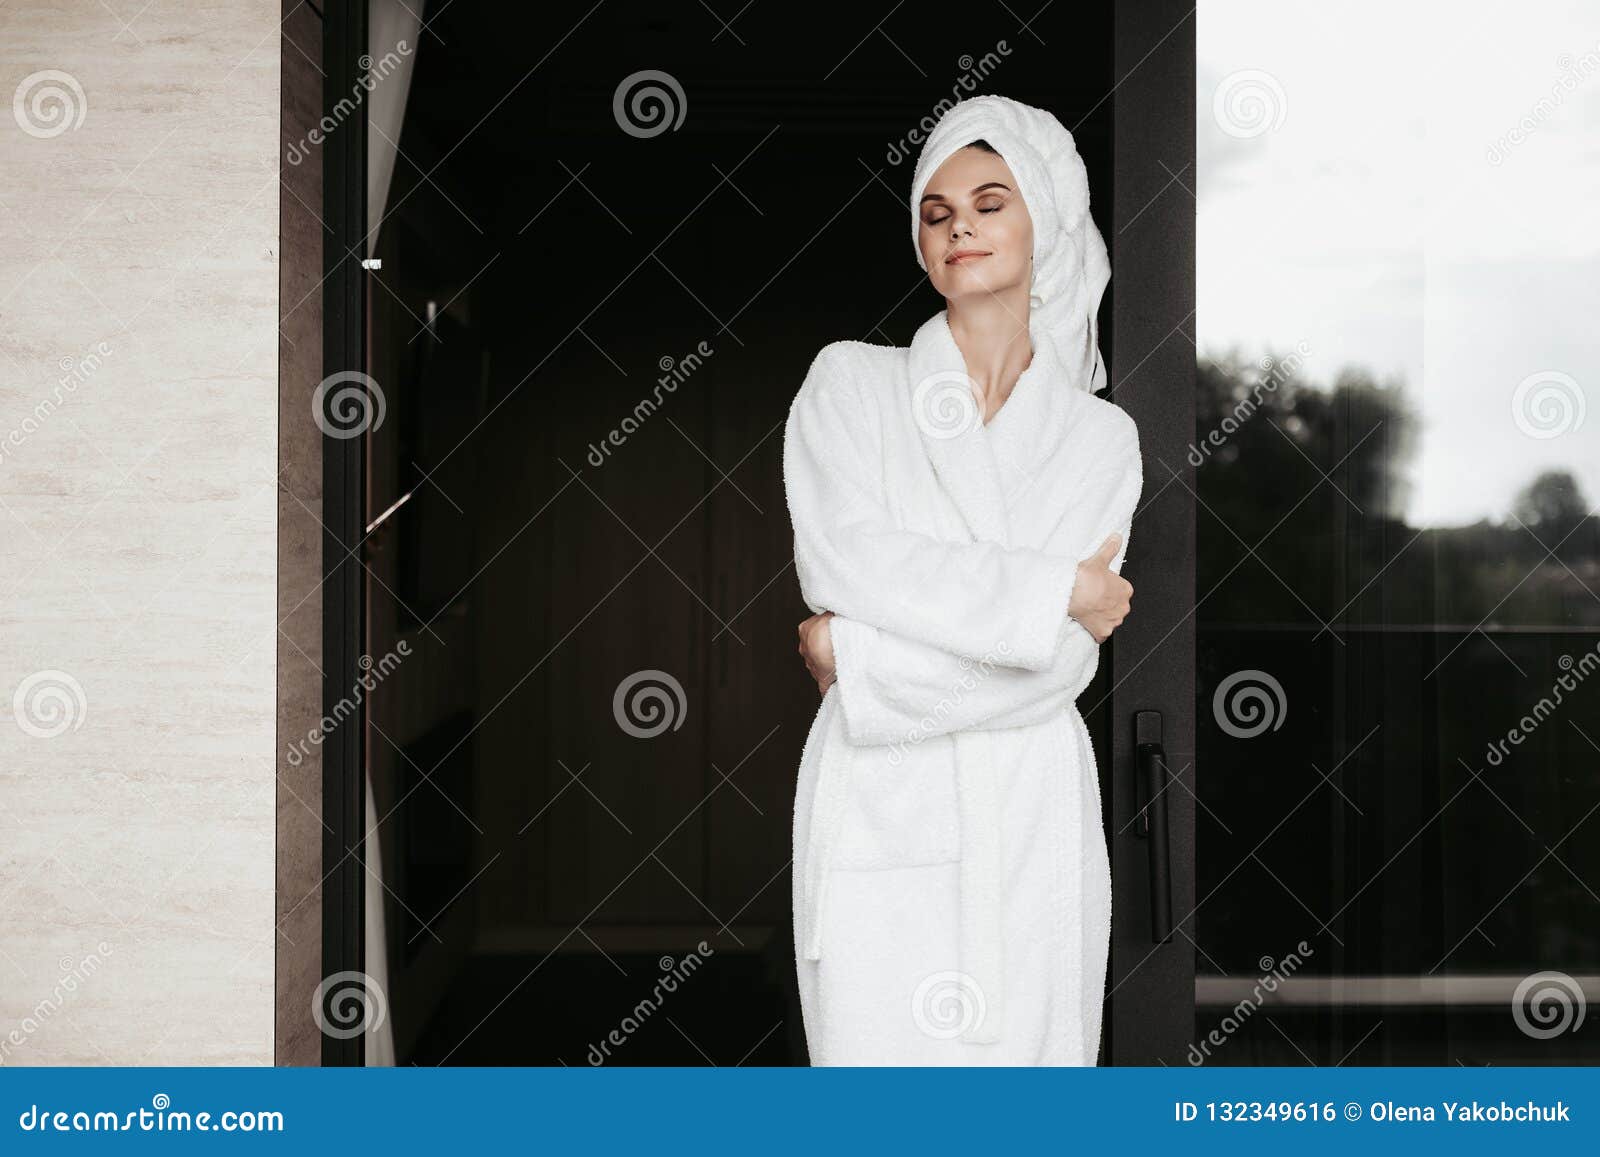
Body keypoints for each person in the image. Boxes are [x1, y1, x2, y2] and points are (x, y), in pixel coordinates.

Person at [782, 95, 1141, 1064]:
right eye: (935, 213)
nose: (959, 226)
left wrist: (858, 658)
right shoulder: (850, 385)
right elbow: (847, 559)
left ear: (1048, 225)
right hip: (878, 802)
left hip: (1029, 808)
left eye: (991, 201)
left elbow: (1055, 669)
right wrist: (1051, 589)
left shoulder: (1097, 436)